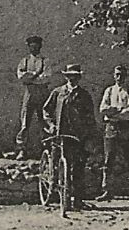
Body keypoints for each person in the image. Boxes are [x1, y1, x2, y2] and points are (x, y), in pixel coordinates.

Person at [40, 63, 99, 208]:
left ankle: (77, 201)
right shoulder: (58, 92)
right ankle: (60, 197)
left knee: (78, 168)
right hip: (60, 135)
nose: (72, 79)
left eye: (75, 76)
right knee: (59, 165)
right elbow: (46, 110)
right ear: (66, 77)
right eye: (69, 76)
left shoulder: (84, 95)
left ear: (79, 77)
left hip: (78, 137)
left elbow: (90, 117)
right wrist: (51, 125)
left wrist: (89, 135)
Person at [95, 64, 129, 201]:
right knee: (108, 158)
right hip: (111, 127)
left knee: (128, 158)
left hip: (125, 127)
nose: (119, 77)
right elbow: (102, 109)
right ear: (113, 76)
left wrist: (114, 112)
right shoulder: (109, 91)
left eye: (122, 75)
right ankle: (106, 190)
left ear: (126, 76)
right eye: (117, 74)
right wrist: (119, 111)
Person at [12, 35, 49, 159]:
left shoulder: (45, 61)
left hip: (42, 93)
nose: (34, 49)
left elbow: (46, 78)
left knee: (44, 120)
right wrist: (35, 75)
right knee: (25, 121)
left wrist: (31, 78)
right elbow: (21, 76)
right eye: (31, 46)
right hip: (29, 93)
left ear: (40, 46)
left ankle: (46, 148)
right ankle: (22, 149)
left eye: (36, 46)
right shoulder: (25, 61)